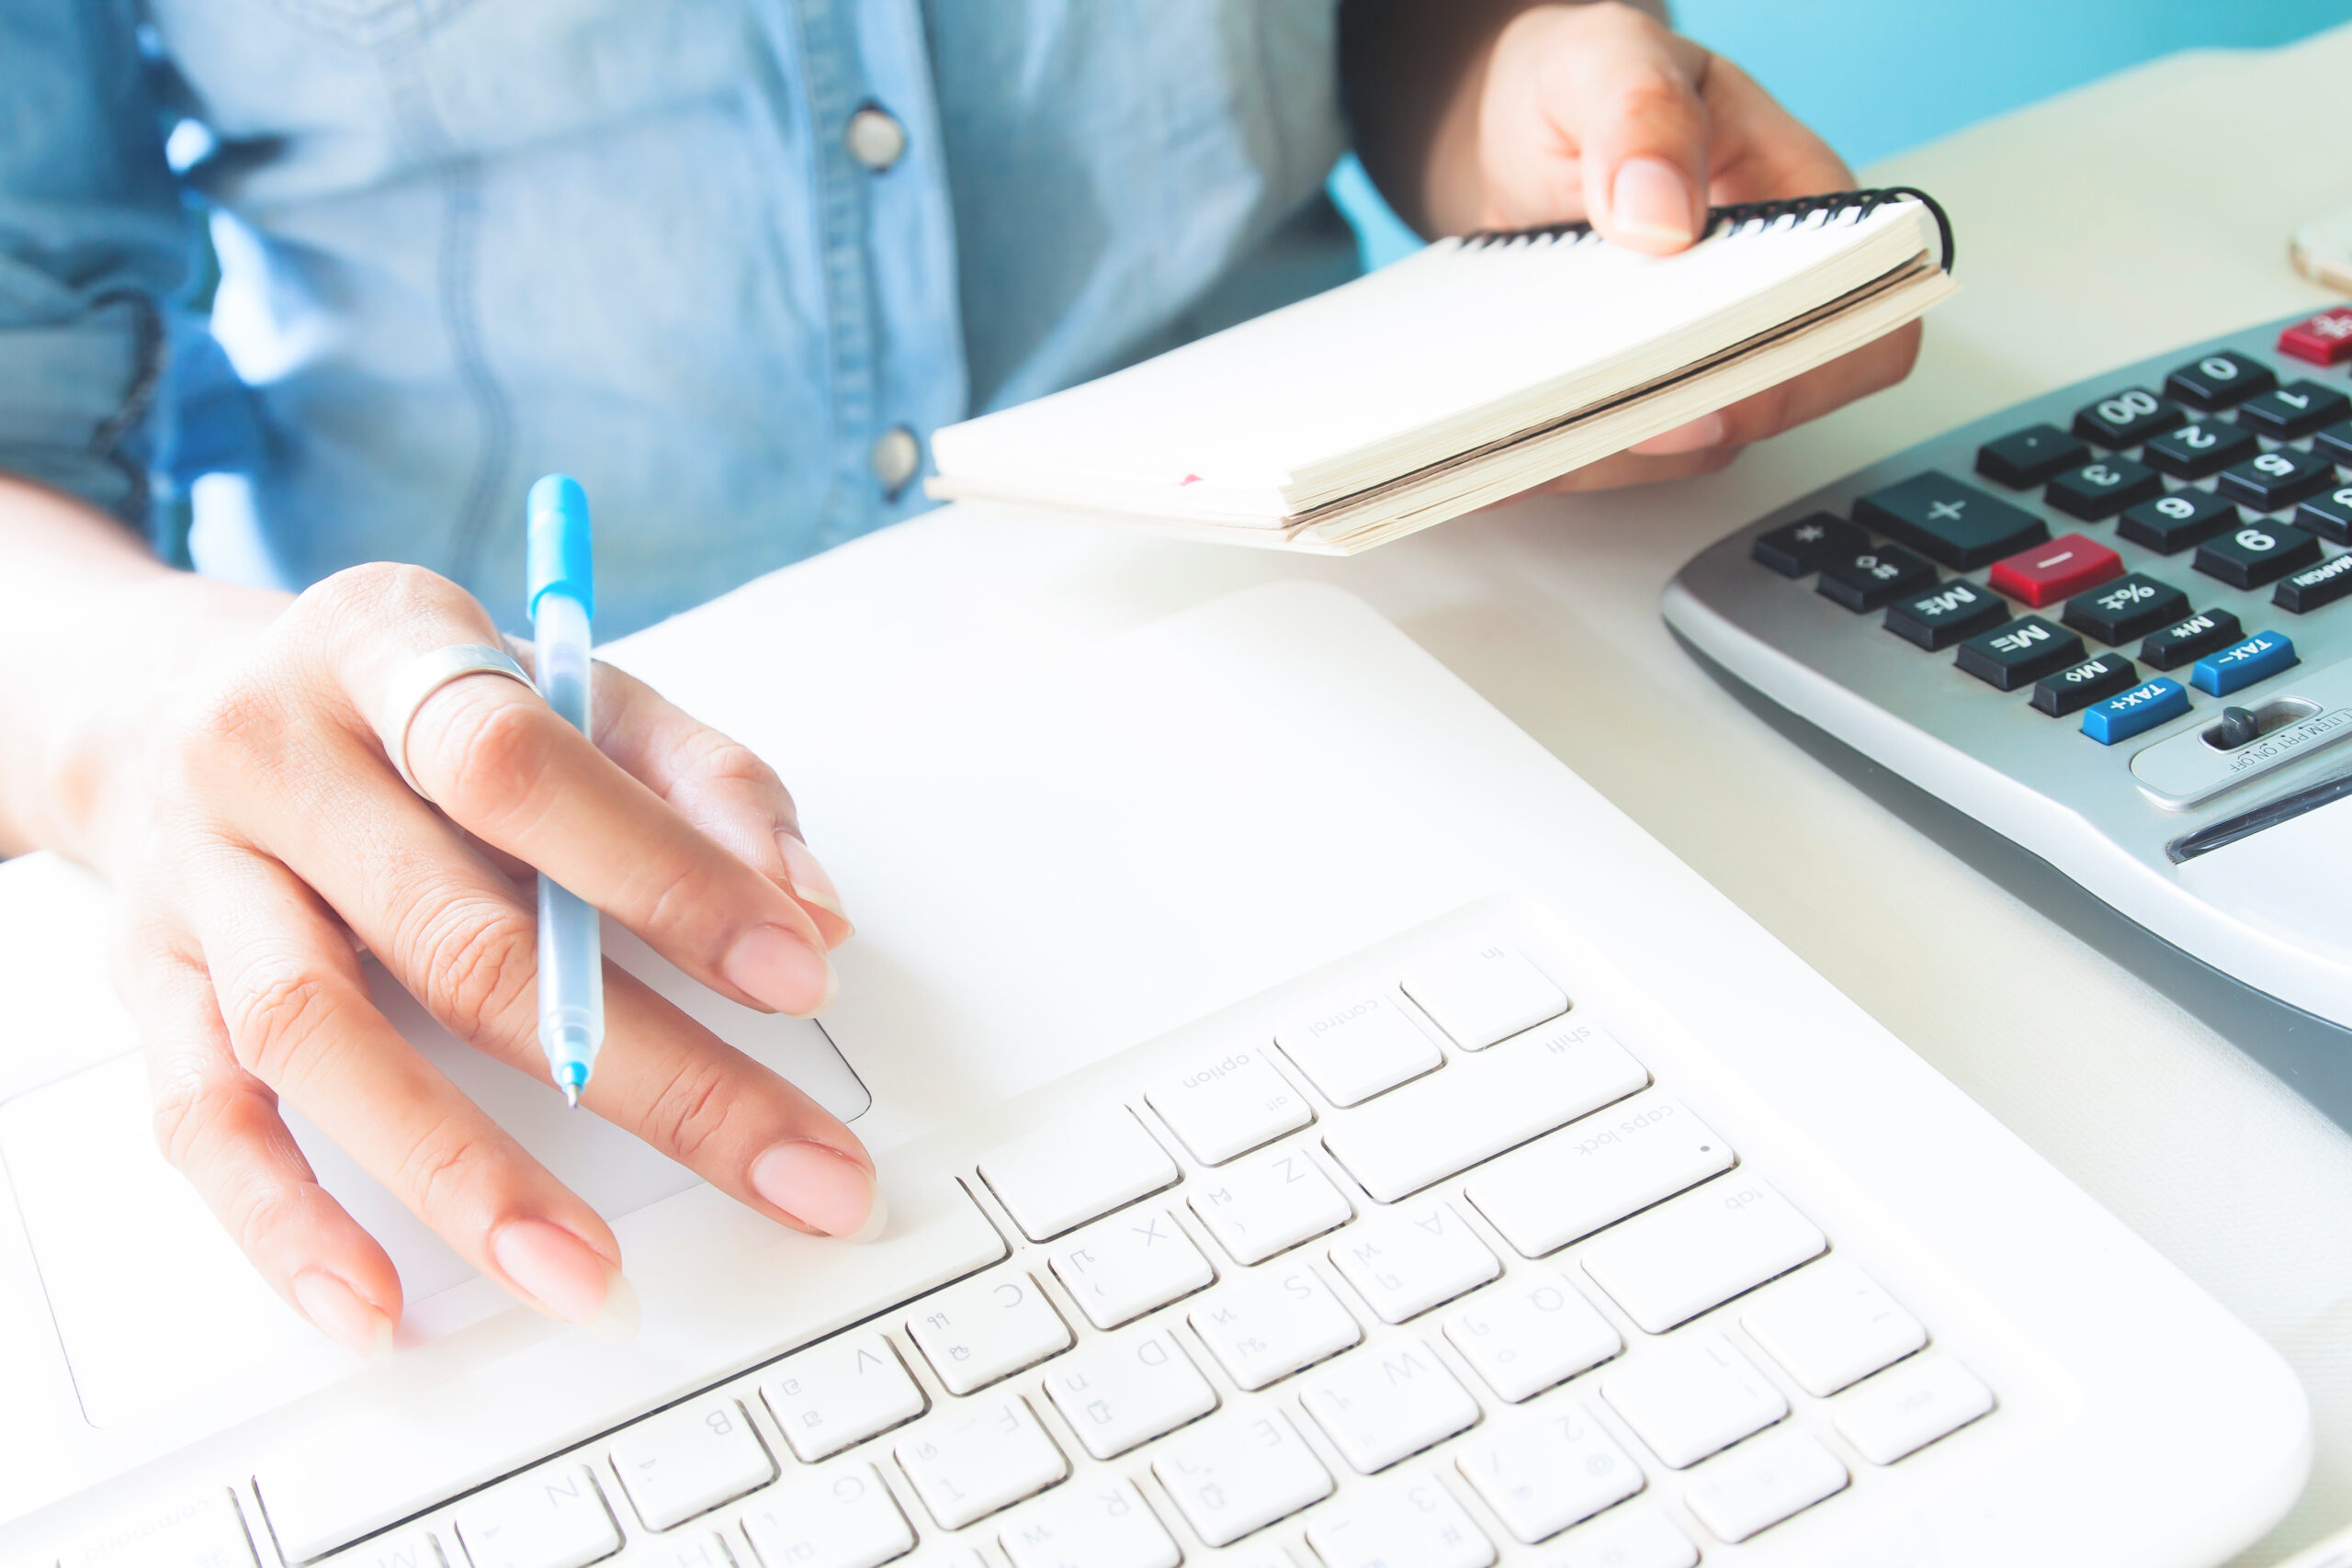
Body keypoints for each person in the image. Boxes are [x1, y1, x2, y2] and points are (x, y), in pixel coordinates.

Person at [0, 0, 1918, 1355]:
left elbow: (1378, 27)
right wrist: (139, 718)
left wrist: (1520, 97)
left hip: (1349, 659)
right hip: (525, 838)